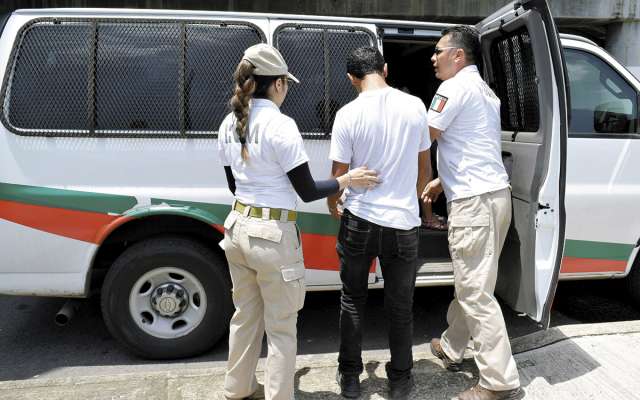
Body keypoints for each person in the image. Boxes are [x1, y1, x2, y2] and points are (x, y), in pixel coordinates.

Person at [218, 43, 378, 400]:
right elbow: (306, 191)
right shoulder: (281, 125)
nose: (286, 89)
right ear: (277, 83)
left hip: (236, 227)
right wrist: (346, 180)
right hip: (272, 236)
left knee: (244, 316)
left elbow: (233, 185)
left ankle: (237, 388)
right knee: (281, 327)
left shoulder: (228, 123)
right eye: (286, 83)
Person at [422, 26, 522, 400]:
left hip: (473, 203)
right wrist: (442, 181)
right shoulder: (484, 91)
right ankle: (452, 346)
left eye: (439, 51)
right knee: (476, 283)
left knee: (475, 292)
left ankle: (498, 381)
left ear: (458, 55)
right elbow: (474, 145)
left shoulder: (452, 88)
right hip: (495, 196)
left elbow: (423, 137)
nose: (433, 57)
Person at [327, 46, 431, 400]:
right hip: (403, 223)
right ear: (385, 69)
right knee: (400, 306)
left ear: (351, 79)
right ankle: (400, 380)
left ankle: (350, 378)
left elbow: (338, 174)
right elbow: (424, 168)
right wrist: (412, 204)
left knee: (352, 300)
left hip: (360, 218)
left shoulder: (347, 114)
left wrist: (333, 204)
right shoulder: (415, 106)